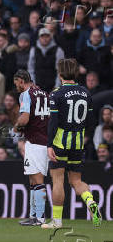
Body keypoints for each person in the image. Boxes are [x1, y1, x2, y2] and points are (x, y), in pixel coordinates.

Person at [43, 58, 101, 229]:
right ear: (75, 73)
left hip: (60, 143)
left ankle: (57, 221)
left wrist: (49, 144)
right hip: (78, 143)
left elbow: (53, 123)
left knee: (58, 180)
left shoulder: (56, 93)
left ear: (60, 74)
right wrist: (84, 136)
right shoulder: (85, 93)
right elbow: (91, 122)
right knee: (76, 180)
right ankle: (90, 202)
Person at [13, 69, 49, 226]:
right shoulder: (43, 93)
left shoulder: (25, 94)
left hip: (36, 142)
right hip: (43, 139)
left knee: (37, 178)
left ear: (21, 81)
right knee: (32, 179)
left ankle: (40, 218)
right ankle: (34, 215)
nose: (16, 87)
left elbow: (25, 118)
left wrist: (16, 126)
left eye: (16, 84)